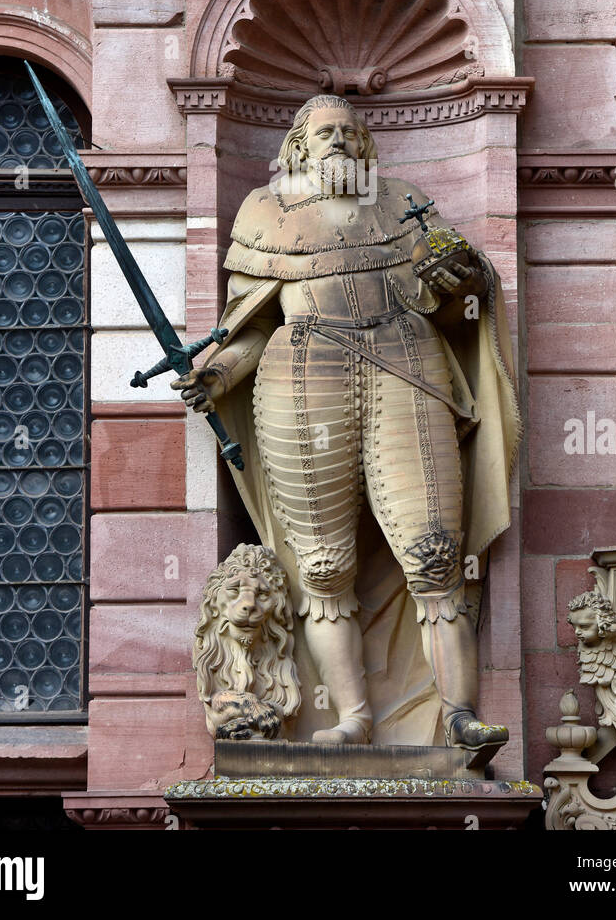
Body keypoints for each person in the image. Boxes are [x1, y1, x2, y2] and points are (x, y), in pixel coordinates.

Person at [177, 94, 520, 749]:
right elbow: (250, 329)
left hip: (406, 368)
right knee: (323, 567)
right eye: (323, 132)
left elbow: (456, 307)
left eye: (347, 132)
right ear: (299, 144)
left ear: (364, 143)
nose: (336, 141)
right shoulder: (263, 213)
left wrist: (465, 276)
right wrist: (215, 376)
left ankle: (457, 716)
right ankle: (352, 719)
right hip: (301, 377)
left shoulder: (400, 204)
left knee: (434, 554)